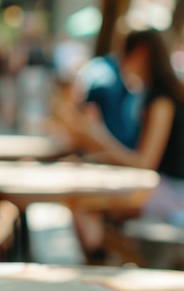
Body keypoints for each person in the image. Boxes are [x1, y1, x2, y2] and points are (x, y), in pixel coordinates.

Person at [56, 29, 184, 224]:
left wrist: (97, 135)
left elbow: (144, 164)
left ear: (141, 53)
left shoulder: (161, 101)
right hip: (159, 187)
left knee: (85, 202)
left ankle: (96, 253)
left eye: (122, 54)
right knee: (82, 197)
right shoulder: (148, 96)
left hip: (172, 192)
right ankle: (97, 252)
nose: (119, 62)